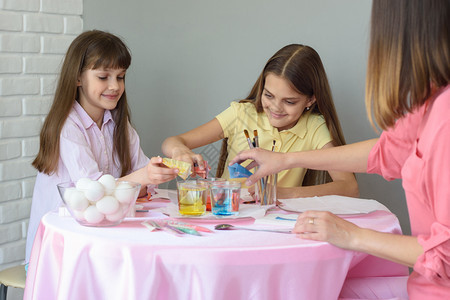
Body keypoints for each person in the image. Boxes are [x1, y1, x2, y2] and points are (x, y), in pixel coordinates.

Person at [230, 0, 450, 298]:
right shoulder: (431, 100)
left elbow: (445, 256)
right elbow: (386, 152)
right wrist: (285, 160)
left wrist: (350, 235)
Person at [26, 30, 178, 265]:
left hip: (102, 239)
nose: (115, 86)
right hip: (58, 253)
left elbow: (141, 178)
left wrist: (163, 170)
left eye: (121, 77)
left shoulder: (118, 123)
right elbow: (92, 194)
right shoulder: (66, 126)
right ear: (78, 78)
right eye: (103, 77)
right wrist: (143, 176)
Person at [162, 44, 358, 199]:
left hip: (278, 225)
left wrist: (283, 193)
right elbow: (172, 142)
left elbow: (349, 187)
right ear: (262, 87)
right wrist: (180, 151)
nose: (275, 108)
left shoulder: (314, 127)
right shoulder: (241, 114)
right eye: (268, 95)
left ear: (311, 99)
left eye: (289, 101)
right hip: (226, 212)